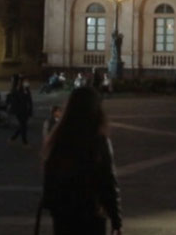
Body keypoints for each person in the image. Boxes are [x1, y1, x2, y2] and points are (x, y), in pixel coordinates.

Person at [41, 86, 122, 235]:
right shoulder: (99, 140)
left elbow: (49, 175)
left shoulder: (58, 138)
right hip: (91, 214)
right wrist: (116, 221)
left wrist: (53, 206)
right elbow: (109, 182)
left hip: (63, 215)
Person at [8, 74, 33, 146]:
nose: (27, 82)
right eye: (25, 81)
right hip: (19, 111)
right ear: (21, 82)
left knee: (22, 126)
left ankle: (13, 138)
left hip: (26, 110)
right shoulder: (16, 90)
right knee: (23, 126)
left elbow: (30, 100)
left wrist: (30, 110)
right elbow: (17, 101)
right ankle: (25, 142)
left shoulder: (27, 89)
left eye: (27, 81)